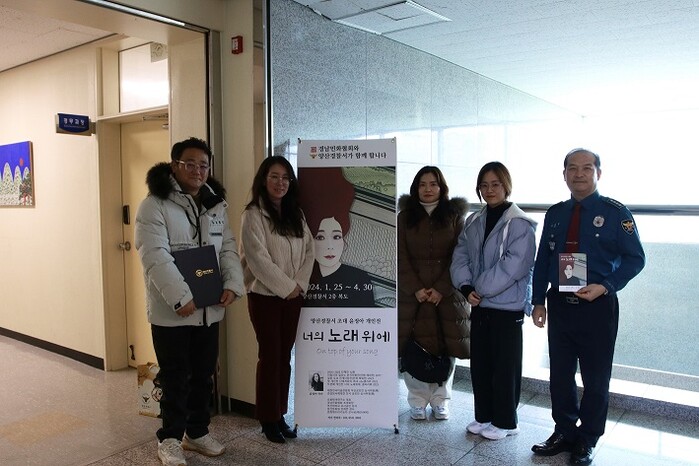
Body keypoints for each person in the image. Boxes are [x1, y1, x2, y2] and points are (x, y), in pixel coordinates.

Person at [530, 148, 645, 465]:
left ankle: (588, 438)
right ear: (564, 174)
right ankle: (564, 431)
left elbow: (636, 259)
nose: (578, 174)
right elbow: (543, 260)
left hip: (597, 307)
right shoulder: (556, 213)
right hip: (560, 304)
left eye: (586, 168)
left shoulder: (615, 212)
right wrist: (538, 300)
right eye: (572, 168)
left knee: (595, 378)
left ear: (598, 173)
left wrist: (606, 285)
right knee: (560, 374)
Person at [134, 137, 244, 466]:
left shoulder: (215, 204)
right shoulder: (153, 205)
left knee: (203, 375)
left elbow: (227, 248)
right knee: (175, 377)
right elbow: (154, 256)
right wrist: (181, 296)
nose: (198, 170)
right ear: (174, 166)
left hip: (209, 309)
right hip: (172, 312)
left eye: (203, 165)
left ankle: (196, 432)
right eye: (190, 164)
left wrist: (232, 284)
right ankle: (170, 439)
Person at [450, 161, 537, 441]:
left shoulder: (520, 223)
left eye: (495, 184)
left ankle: (506, 422)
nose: (489, 190)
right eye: (484, 185)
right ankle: (484, 416)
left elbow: (514, 266)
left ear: (506, 186)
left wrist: (478, 287)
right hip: (479, 304)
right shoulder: (474, 221)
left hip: (507, 307)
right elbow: (460, 256)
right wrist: (465, 287)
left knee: (505, 368)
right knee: (482, 365)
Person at [239, 156, 314, 444]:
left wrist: (299, 285)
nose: (280, 182)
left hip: (293, 296)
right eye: (274, 176)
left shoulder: (296, 213)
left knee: (284, 356)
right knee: (270, 356)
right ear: (263, 179)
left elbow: (310, 251)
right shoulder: (253, 215)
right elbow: (257, 259)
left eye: (285, 177)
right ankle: (267, 419)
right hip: (264, 297)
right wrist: (286, 287)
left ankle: (279, 413)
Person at [398, 166, 470, 421]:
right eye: (422, 184)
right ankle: (417, 399)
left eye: (433, 184)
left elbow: (460, 255)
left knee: (445, 345)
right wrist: (415, 288)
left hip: (446, 296)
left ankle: (441, 400)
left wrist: (441, 288)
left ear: (442, 187)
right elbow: (399, 256)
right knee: (412, 346)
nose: (428, 189)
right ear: (415, 188)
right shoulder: (404, 217)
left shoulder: (454, 216)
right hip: (412, 296)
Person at [299, 167, 376, 307]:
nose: (330, 246)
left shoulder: (360, 280)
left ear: (343, 241)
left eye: (336, 237)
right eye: (320, 237)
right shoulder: (302, 277)